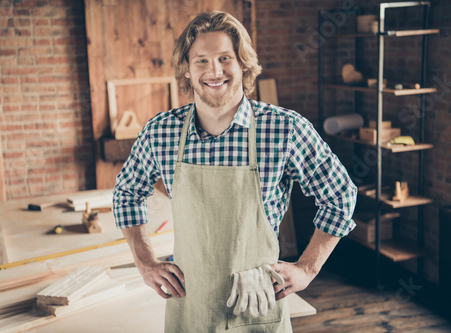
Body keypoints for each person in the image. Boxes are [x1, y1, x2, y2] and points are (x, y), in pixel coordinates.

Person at [113, 11, 357, 332]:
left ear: (243, 63)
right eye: (201, 60)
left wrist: (308, 269)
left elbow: (340, 196)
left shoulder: (285, 128)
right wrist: (145, 262)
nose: (214, 71)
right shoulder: (162, 131)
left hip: (259, 307)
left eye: (224, 58)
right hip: (191, 307)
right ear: (187, 69)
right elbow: (126, 194)